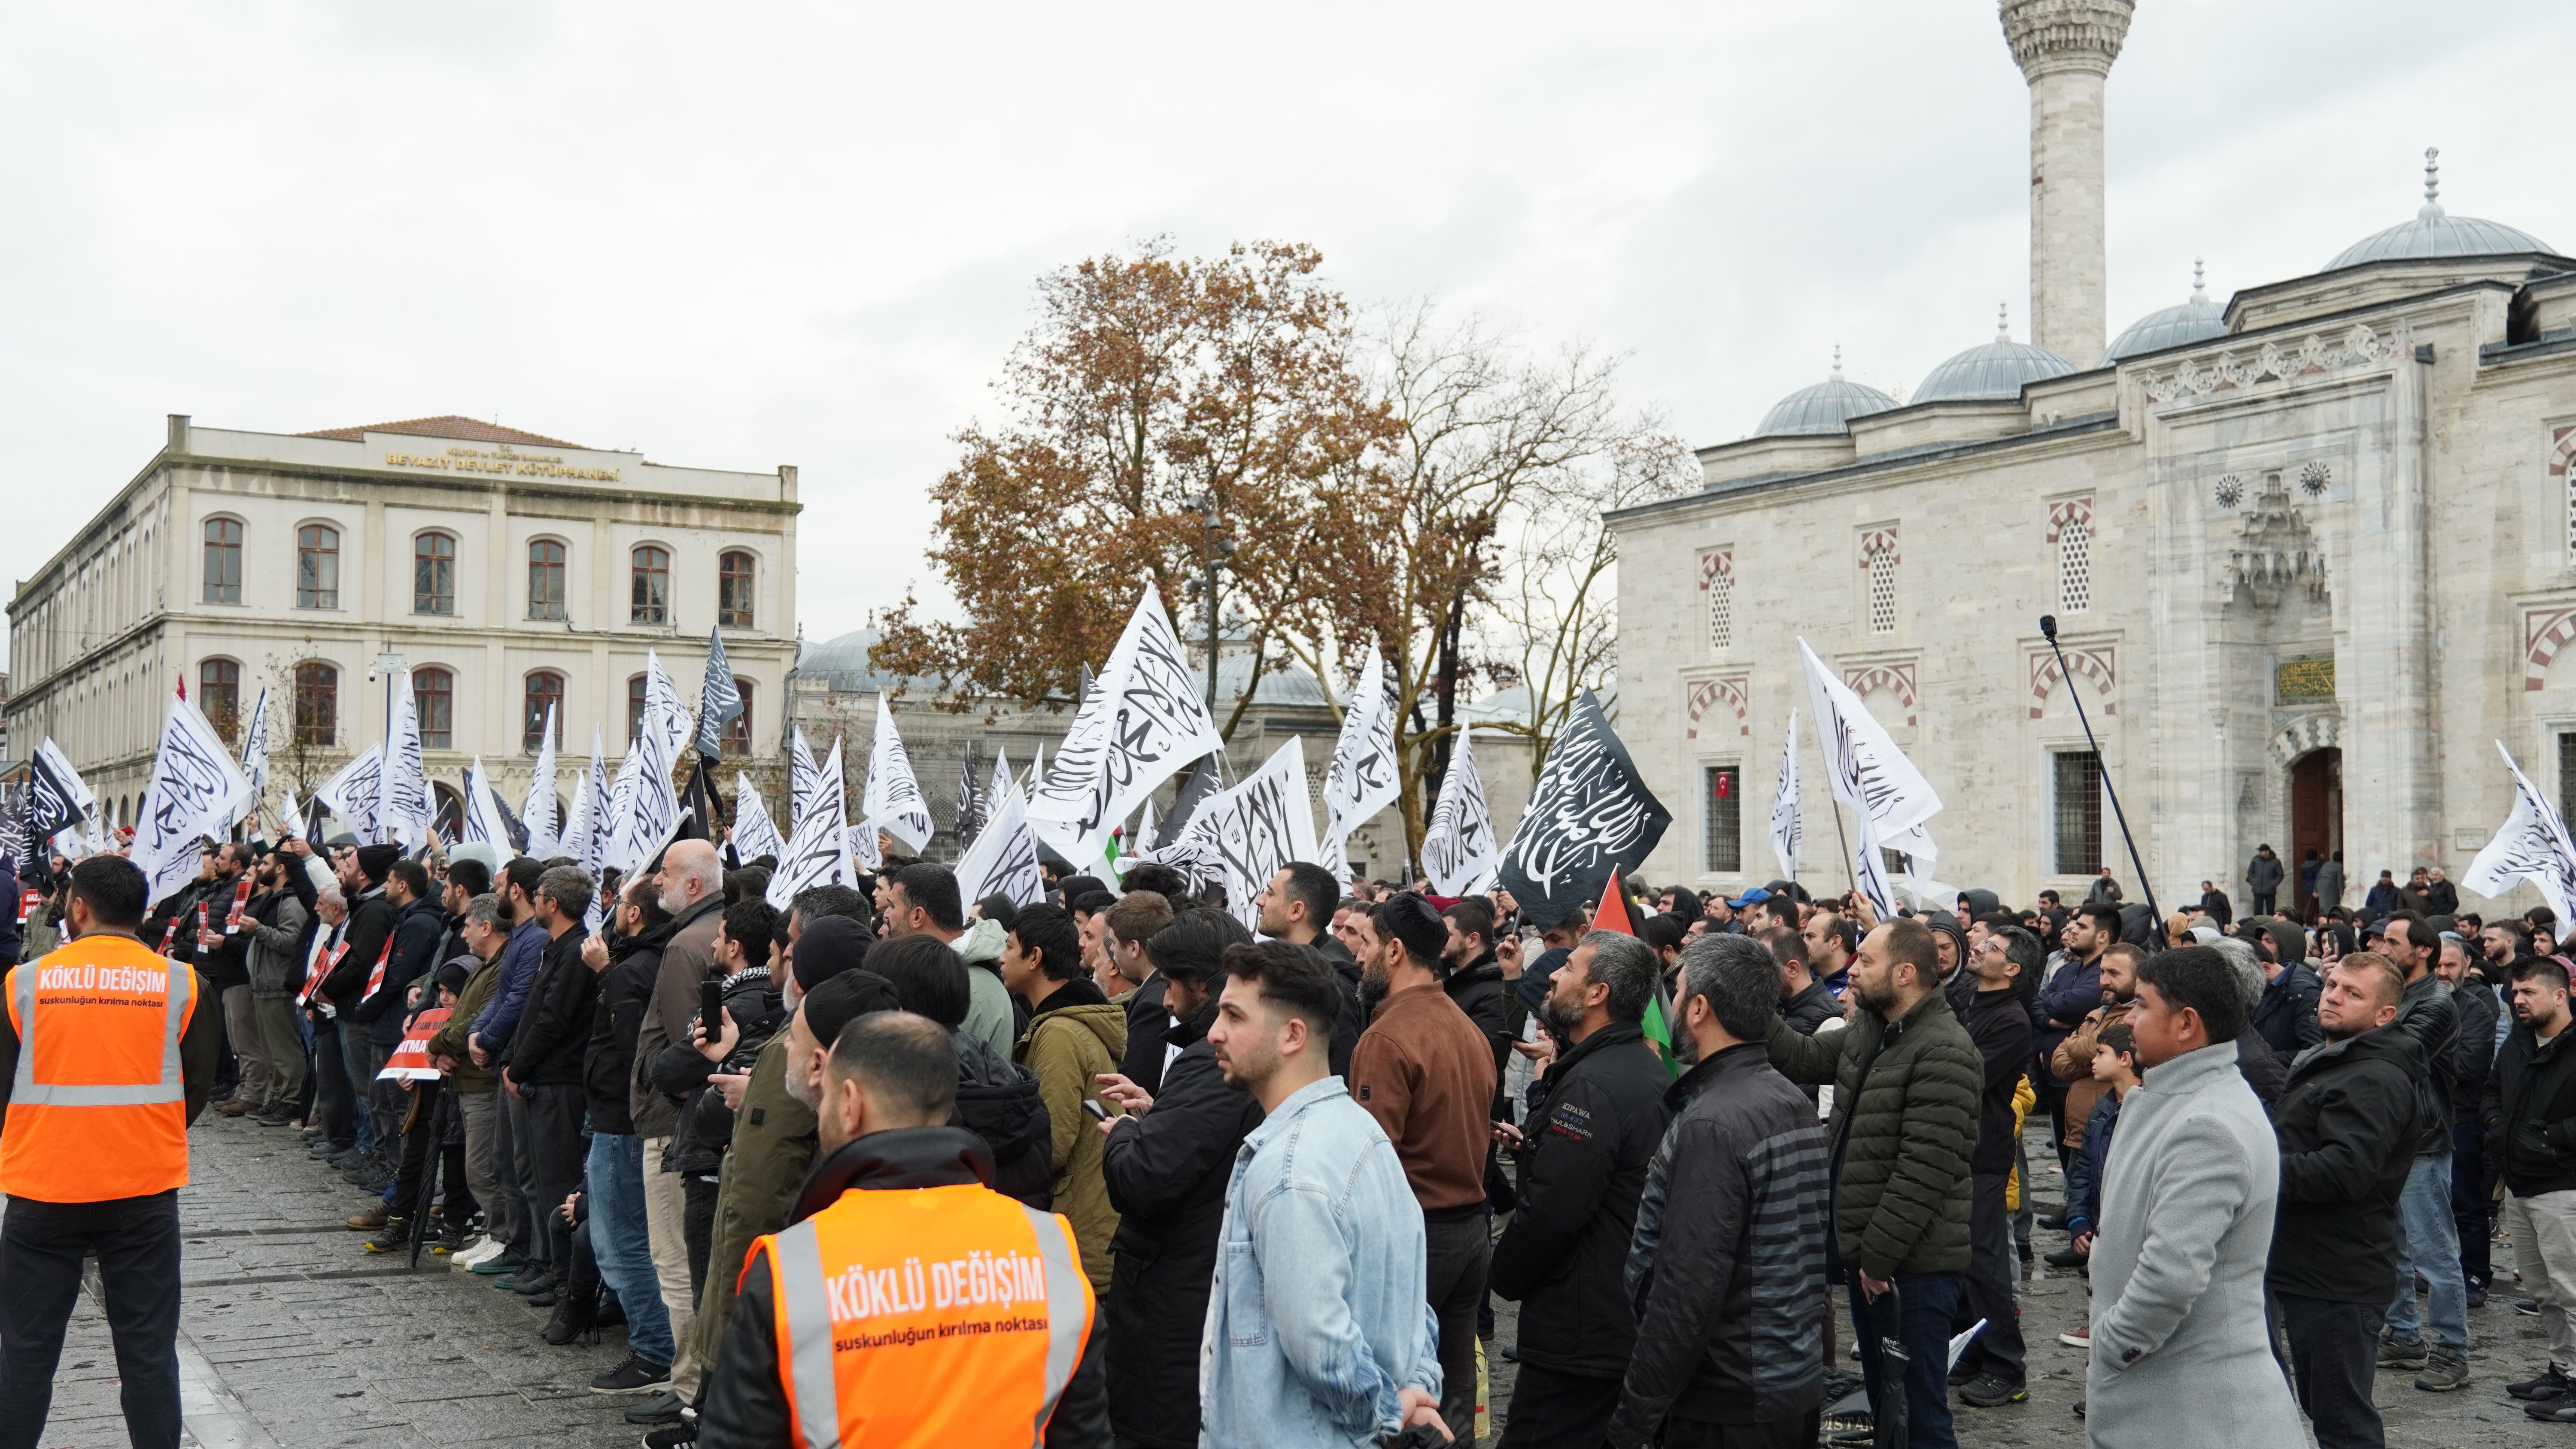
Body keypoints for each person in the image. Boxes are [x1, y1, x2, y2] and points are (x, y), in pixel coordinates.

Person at [696, 1012, 1099, 1449]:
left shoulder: (793, 1267)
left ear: (850, 1103)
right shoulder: (1050, 1246)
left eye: (827, 1095)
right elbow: (1084, 1434)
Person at [0, 855, 224, 1449]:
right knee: (148, 1355)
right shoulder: (181, 983)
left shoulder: (25, 982)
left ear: (78, 909)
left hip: (42, 1186)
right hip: (143, 1189)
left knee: (24, 1354)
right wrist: (145, 1129)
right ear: (141, 911)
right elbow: (198, 1083)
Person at [1198, 939, 1447, 1447]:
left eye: (1233, 1016)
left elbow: (1322, 1344)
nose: (1214, 1032)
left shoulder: (1291, 1169)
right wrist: (1417, 1392)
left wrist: (1391, 1408)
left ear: (1292, 1035)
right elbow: (1413, 1301)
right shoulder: (1363, 1130)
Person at [1762, 916, 1981, 1449]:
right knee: (1887, 1402)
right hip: (1871, 1261)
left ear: (1905, 973)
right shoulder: (1871, 1028)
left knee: (1919, 1410)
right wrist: (1753, 999)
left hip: (1913, 1269)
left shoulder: (1945, 1050)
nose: (1853, 970)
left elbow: (1921, 1175)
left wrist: (1878, 1261)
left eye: (1867, 961)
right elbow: (1804, 1056)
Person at [1608, 933, 1828, 1448]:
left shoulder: (1713, 1123)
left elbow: (1686, 1291)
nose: (1672, 1004)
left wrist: (1632, 1420)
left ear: (1700, 1007)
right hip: (1786, 1383)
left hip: (1729, 1400)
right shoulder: (1788, 1097)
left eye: (1678, 992)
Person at [2084, 945, 2303, 1445]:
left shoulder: (2207, 1123)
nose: (2128, 1018)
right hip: (2164, 1398)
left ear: (2186, 1024)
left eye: (2141, 1005)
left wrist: (2114, 1347)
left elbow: (2170, 1274)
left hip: (2196, 1409)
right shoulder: (2171, 1098)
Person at [1488, 930, 1674, 1445]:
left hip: (1583, 1329)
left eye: (1569, 967)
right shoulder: (1634, 1066)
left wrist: (1501, 1274)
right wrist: (1539, 1150)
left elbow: (1556, 1210)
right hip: (1613, 1314)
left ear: (1598, 994)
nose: (1552, 974)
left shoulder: (1592, 1083)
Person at [1094, 909, 1264, 1449]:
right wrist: (1158, 1112)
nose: (1164, 1001)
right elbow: (1203, 1143)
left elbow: (1142, 1177)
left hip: (1176, 1295)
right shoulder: (1216, 1061)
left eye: (1169, 983)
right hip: (1192, 1282)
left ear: (1200, 982)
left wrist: (1124, 1132)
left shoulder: (1209, 1063)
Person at [1349, 893, 1498, 1442]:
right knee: (1451, 1396)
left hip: (1419, 1238)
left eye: (1364, 942)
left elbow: (1370, 1163)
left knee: (1398, 1398)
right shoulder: (1464, 1024)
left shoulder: (1387, 1037)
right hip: (1469, 1233)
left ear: (1393, 950)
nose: (1357, 954)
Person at [2269, 951, 2422, 1449]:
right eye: (2332, 985)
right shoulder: (2335, 1058)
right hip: (2312, 1263)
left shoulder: (2373, 1076)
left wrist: (2256, 1167)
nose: (2333, 996)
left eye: (2352, 993)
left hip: (2338, 1275)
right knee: (2326, 1410)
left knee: (2343, 1423)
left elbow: (2344, 1172)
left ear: (2385, 1016)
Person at [999, 903, 1126, 1298]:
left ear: (1034, 958)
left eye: (1009, 947)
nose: (1001, 958)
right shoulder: (1062, 1025)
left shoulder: (1058, 1034)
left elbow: (1051, 1142)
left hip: (1081, 1232)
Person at [2375, 915, 2469, 1389]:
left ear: (2423, 951)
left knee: (2435, 1251)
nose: (2383, 948)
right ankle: (2405, 1336)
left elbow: (2392, 1052)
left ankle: (2452, 1349)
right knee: (2392, 1245)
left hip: (2424, 1141)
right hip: (2390, 1137)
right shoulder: (2395, 996)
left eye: (2393, 942)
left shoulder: (2436, 1003)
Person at [2485, 958, 2576, 1419]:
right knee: (2542, 1288)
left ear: (2560, 994)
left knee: (2572, 1287)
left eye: (2528, 992)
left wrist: (2553, 1138)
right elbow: (2492, 1090)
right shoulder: (2518, 1043)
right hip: (2519, 1183)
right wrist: (2497, 1124)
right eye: (2515, 992)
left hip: (2564, 1185)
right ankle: (2563, 1370)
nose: (2518, 1000)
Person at [1950, 925, 2036, 1409]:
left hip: (1984, 1153)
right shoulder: (1968, 999)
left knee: (1985, 1264)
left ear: (2012, 969)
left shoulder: (2012, 1020)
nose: (1978, 948)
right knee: (1961, 1259)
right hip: (1959, 1149)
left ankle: (2008, 1366)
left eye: (1991, 948)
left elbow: (1967, 1073)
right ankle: (1972, 1348)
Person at [884, 862, 1012, 1056]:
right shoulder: (952, 973)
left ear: (917, 916)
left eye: (892, 906)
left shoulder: (964, 985)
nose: (886, 915)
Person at [1254, 861, 1363, 1073]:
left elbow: (1338, 1076)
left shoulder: (1333, 985)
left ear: (1296, 910)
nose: (1260, 901)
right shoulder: (1288, 968)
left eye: (1270, 893)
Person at [1102, 889, 1175, 1092]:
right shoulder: (1158, 989)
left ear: (1134, 948)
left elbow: (1134, 1077)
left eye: (1114, 943)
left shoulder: (1153, 1003)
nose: (1113, 951)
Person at [2247, 844, 2285, 916]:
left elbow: (2280, 874)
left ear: (2267, 851)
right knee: (2257, 911)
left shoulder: (2276, 862)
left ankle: (2270, 926)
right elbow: (2250, 872)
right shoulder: (2255, 860)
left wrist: (2273, 884)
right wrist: (2253, 882)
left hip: (2270, 891)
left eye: (2262, 851)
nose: (2260, 853)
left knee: (2270, 910)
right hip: (2257, 889)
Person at [2317, 851, 2347, 916]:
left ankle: (2322, 918)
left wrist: (2315, 890)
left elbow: (2319, 876)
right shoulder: (2340, 866)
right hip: (2331, 886)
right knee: (2331, 904)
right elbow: (2340, 881)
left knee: (2322, 904)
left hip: (2321, 885)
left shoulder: (2326, 864)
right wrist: (2342, 894)